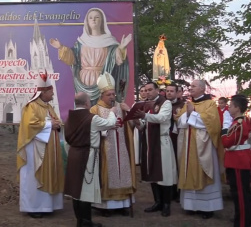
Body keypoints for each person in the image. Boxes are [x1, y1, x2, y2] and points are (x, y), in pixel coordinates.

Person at [49, 7, 132, 104]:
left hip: (102, 81)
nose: (93, 20)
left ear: (102, 21)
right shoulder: (81, 42)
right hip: (82, 82)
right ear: (87, 21)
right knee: (84, 112)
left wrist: (121, 48)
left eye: (97, 17)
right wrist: (61, 48)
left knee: (102, 110)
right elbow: (73, 59)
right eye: (91, 17)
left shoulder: (110, 43)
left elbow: (117, 60)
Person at [65, 92, 118, 227]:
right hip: (87, 155)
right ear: (87, 103)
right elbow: (110, 123)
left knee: (75, 190)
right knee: (86, 190)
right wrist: (112, 112)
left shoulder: (69, 118)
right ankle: (86, 222)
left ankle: (80, 221)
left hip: (73, 154)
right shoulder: (92, 118)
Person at [17, 71, 64, 218]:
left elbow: (56, 122)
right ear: (43, 92)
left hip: (50, 149)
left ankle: (48, 205)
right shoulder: (31, 106)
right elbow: (30, 125)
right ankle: (34, 207)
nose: (53, 95)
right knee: (34, 176)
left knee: (50, 172)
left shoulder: (48, 107)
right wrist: (51, 125)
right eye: (51, 92)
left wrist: (57, 124)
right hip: (35, 150)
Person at [175, 80, 225, 219]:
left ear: (202, 89)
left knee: (204, 172)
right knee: (188, 171)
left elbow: (213, 124)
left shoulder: (210, 104)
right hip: (188, 145)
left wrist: (193, 114)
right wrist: (185, 114)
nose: (190, 88)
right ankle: (190, 206)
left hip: (203, 146)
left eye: (193, 86)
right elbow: (179, 121)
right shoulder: (188, 104)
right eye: (190, 86)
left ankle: (207, 208)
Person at [90, 72, 136, 217]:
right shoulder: (95, 109)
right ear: (102, 95)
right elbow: (93, 129)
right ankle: (105, 206)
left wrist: (129, 111)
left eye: (113, 94)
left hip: (121, 145)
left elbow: (132, 125)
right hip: (105, 147)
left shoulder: (120, 106)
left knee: (123, 174)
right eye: (108, 94)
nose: (111, 97)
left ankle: (123, 204)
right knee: (107, 175)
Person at [135, 82, 177, 217]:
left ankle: (166, 204)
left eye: (150, 89)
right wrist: (136, 121)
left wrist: (144, 116)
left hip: (161, 141)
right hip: (149, 142)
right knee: (152, 173)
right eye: (145, 90)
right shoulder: (145, 105)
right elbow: (142, 126)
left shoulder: (165, 103)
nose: (147, 92)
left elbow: (162, 118)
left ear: (157, 90)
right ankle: (157, 202)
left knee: (164, 174)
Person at [222, 95, 251, 227]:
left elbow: (226, 142)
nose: (228, 108)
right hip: (238, 159)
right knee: (242, 193)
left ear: (237, 108)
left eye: (230, 106)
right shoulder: (240, 121)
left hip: (238, 161)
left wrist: (224, 130)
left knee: (240, 194)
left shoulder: (238, 123)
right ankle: (244, 219)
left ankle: (242, 223)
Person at [166, 83, 184, 200]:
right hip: (166, 137)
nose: (169, 93)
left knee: (178, 163)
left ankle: (179, 191)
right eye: (167, 91)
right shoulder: (163, 104)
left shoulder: (183, 105)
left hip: (177, 137)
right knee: (168, 164)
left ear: (177, 93)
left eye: (172, 91)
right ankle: (170, 191)